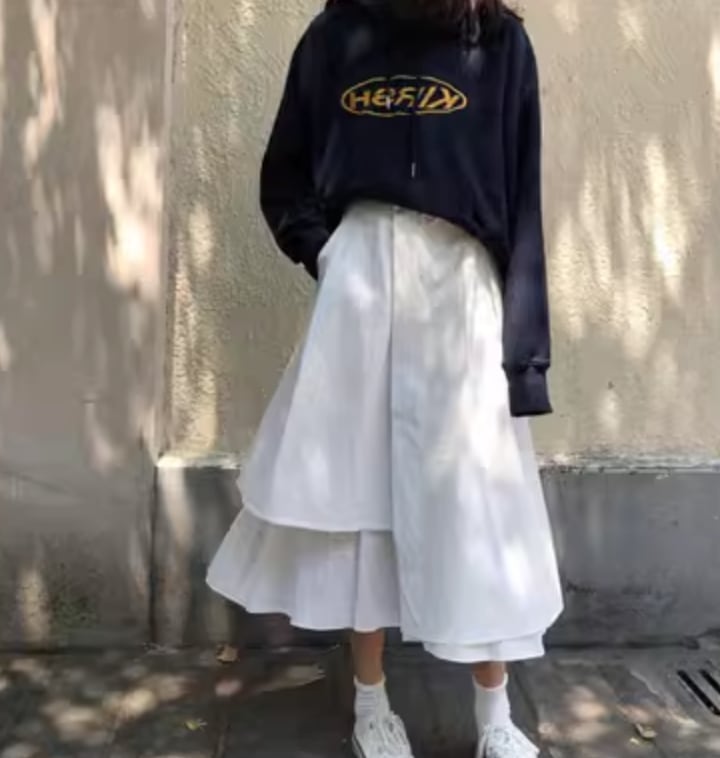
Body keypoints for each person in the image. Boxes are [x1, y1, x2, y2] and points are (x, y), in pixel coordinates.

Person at [207, 0, 564, 756]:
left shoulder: (498, 41)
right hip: (362, 280)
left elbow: (522, 194)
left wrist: (526, 347)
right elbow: (285, 173)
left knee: (479, 497)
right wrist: (329, 251)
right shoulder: (337, 35)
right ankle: (371, 700)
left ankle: (495, 717)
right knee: (359, 494)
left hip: (461, 283)